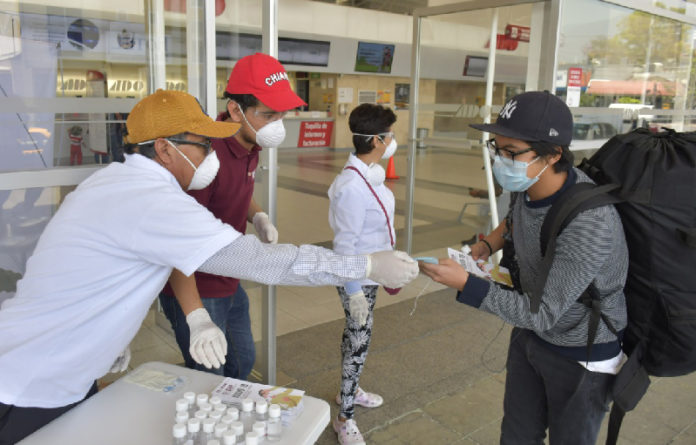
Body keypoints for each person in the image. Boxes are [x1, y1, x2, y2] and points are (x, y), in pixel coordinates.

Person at [0, 89, 419, 444]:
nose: (211, 155)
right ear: (164, 148)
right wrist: (363, 264)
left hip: (48, 364)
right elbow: (262, 262)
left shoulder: (116, 182)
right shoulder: (151, 200)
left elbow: (90, 274)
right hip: (31, 383)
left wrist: (107, 340)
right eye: (203, 145)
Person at [420, 91, 628, 445]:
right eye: (496, 148)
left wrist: (467, 284)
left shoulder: (590, 222)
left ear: (554, 154)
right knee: (516, 434)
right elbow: (514, 220)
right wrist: (487, 245)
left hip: (581, 351)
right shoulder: (529, 183)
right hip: (531, 335)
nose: (501, 161)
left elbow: (544, 313)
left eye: (511, 152)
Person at [159, 53, 304, 380]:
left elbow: (236, 188)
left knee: (241, 360)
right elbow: (177, 243)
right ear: (236, 110)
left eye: (281, 114)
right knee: (210, 375)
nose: (277, 124)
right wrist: (197, 317)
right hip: (196, 284)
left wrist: (258, 216)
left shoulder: (250, 143)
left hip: (228, 275)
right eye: (268, 115)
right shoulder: (206, 157)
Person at [328, 103, 400, 445]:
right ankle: (344, 419)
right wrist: (354, 291)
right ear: (375, 140)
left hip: (371, 273)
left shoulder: (367, 174)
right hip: (357, 277)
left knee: (354, 337)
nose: (392, 141)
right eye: (389, 136)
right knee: (359, 342)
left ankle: (349, 391)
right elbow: (344, 246)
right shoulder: (351, 187)